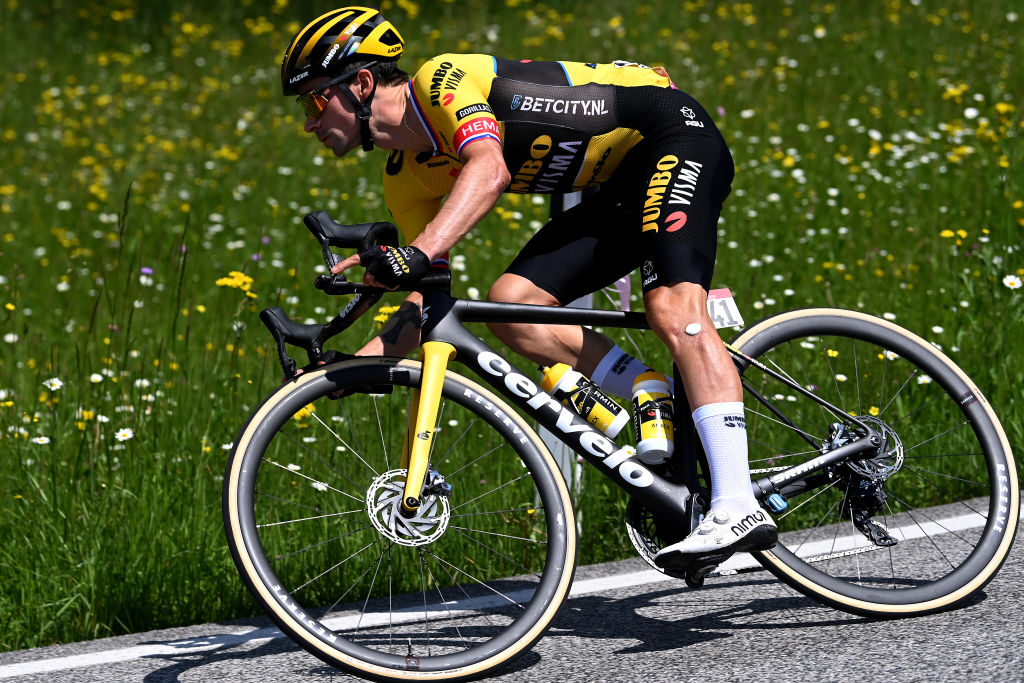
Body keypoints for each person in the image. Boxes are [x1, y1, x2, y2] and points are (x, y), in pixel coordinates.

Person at [280, 7, 777, 567]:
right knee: (511, 308)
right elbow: (425, 298)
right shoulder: (404, 175)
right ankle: (645, 388)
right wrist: (348, 370)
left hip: (670, 133)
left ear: (362, 84)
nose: (309, 122)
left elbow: (487, 169)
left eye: (316, 101)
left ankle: (739, 503)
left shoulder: (440, 82)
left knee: (671, 307)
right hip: (618, 184)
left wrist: (415, 251)